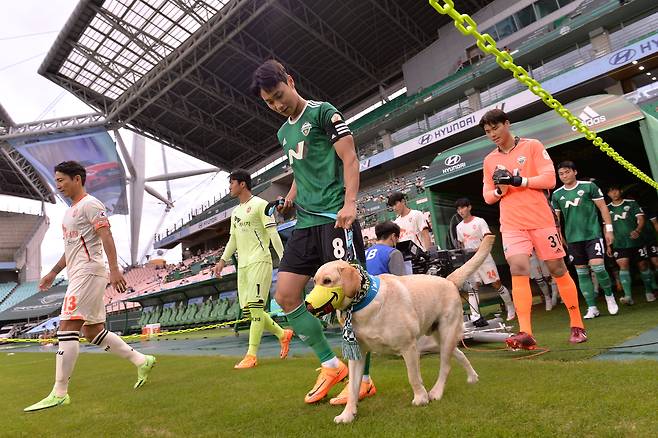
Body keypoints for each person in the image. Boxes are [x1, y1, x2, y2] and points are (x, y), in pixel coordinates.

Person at [250, 60, 373, 403]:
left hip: (336, 219)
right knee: (286, 296)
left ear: (290, 80)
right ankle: (331, 364)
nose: (277, 105)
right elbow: (300, 172)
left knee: (350, 299)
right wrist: (289, 197)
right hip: (304, 223)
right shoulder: (282, 133)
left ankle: (365, 379)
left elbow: (350, 159)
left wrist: (350, 204)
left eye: (278, 95)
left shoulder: (324, 113)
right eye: (269, 102)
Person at [24, 161, 155, 412]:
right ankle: (142, 360)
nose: (58, 185)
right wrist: (52, 272)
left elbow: (106, 235)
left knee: (67, 326)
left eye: (62, 180)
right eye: (57, 180)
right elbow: (69, 249)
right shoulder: (69, 212)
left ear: (77, 179)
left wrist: (115, 269)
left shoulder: (91, 204)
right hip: (78, 273)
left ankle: (59, 392)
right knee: (92, 332)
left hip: (88, 271)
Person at [480, 109, 586, 350]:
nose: (492, 134)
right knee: (518, 268)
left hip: (541, 220)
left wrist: (519, 181)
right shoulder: (489, 160)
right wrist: (500, 191)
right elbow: (487, 196)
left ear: (507, 124)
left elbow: (550, 180)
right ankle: (525, 332)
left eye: (495, 128)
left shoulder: (532, 146)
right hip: (512, 224)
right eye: (487, 132)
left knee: (557, 268)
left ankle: (577, 324)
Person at [213, 170, 293, 369]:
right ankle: (283, 334)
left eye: (231, 183)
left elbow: (273, 233)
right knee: (250, 310)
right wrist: (222, 260)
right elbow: (233, 239)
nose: (229, 187)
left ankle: (251, 354)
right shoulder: (235, 213)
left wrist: (284, 259)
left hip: (260, 261)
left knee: (256, 307)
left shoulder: (261, 205)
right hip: (244, 266)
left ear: (242, 184)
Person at [551, 161, 619, 318]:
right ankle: (592, 307)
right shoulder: (557, 194)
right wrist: (559, 237)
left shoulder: (588, 186)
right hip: (573, 239)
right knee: (581, 273)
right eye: (561, 174)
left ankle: (609, 296)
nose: (564, 176)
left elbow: (603, 207)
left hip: (592, 235)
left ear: (575, 172)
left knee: (598, 267)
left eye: (567, 172)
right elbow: (556, 220)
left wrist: (609, 230)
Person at [454, 198, 515, 322]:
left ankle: (510, 306)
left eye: (463, 207)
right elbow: (461, 244)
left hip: (484, 258)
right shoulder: (459, 227)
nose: (461, 211)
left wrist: (479, 250)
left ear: (469, 207)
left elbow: (488, 236)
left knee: (496, 284)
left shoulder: (479, 221)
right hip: (471, 262)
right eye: (458, 209)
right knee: (472, 287)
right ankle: (475, 317)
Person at [606, 185, 655, 304]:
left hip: (636, 241)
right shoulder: (607, 208)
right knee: (623, 265)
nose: (614, 193)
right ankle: (628, 296)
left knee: (643, 265)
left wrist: (638, 230)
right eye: (611, 191)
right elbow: (606, 226)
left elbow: (641, 218)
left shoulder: (632, 203)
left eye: (616, 190)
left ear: (620, 191)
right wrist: (608, 243)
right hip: (619, 243)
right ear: (608, 194)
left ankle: (649, 291)